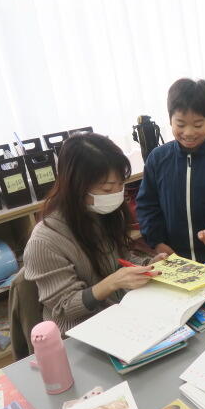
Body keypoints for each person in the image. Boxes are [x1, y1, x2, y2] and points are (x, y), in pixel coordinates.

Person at [24, 133, 162, 334]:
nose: (117, 195)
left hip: (118, 314)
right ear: (76, 187)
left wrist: (149, 264)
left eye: (121, 185)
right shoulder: (44, 242)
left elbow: (121, 259)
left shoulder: (102, 213)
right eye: (107, 189)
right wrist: (112, 282)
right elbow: (63, 309)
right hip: (79, 333)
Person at [136, 78, 205, 263]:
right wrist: (157, 242)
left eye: (197, 125)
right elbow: (147, 205)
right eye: (180, 124)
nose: (188, 132)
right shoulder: (157, 159)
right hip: (171, 256)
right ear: (170, 119)